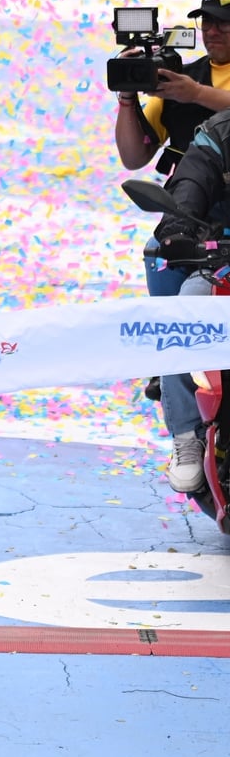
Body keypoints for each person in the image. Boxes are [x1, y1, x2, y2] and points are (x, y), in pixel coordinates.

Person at [115, 0, 230, 400]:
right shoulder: (179, 78)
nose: (213, 31)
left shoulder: (189, 85)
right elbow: (134, 157)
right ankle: (170, 366)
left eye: (224, 23)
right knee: (157, 256)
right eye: (207, 22)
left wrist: (197, 94)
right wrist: (128, 100)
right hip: (189, 213)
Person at [151, 106, 230, 493]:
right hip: (224, 257)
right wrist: (178, 226)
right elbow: (190, 182)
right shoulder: (219, 132)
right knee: (185, 312)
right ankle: (186, 433)